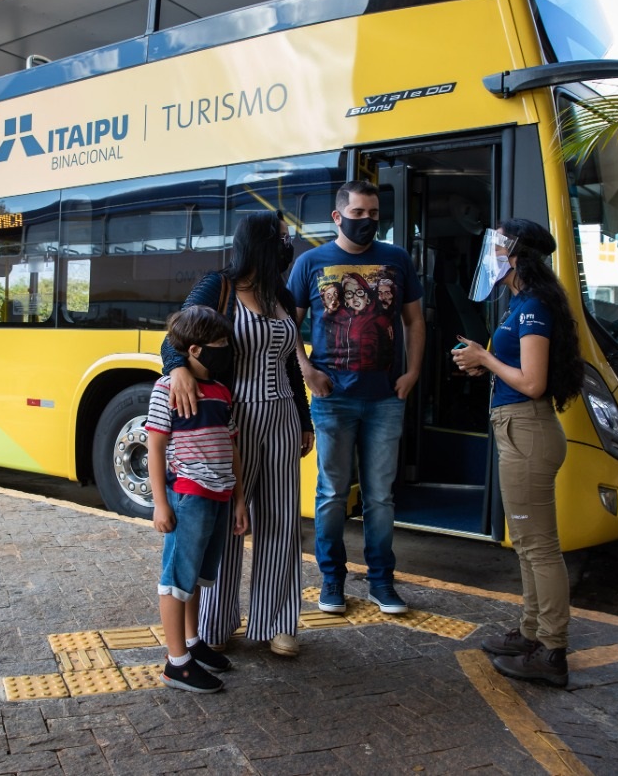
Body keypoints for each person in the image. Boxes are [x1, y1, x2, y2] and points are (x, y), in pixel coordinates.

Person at [161, 211, 313, 658]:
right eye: (283, 239)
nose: (288, 246)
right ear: (261, 244)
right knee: (226, 522)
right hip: (232, 416)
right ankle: (216, 621)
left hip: (283, 415)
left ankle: (278, 622)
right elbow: (175, 338)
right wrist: (178, 372)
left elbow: (291, 361)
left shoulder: (281, 295)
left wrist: (303, 420)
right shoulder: (218, 286)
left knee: (282, 522)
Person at [451, 218, 585, 687]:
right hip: (519, 430)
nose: (491, 254)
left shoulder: (531, 308)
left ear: (517, 255)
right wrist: (482, 361)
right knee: (528, 545)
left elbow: (532, 383)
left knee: (539, 547)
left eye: (499, 246)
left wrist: (486, 359)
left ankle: (552, 651)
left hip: (527, 431)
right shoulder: (523, 304)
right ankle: (531, 633)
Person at [288, 180, 425, 616]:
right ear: (338, 216)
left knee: (380, 497)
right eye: (359, 213)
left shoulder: (397, 260)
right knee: (331, 493)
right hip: (332, 400)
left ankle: (382, 581)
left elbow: (415, 322)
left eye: (373, 213)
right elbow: (288, 325)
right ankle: (332, 580)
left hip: (385, 398)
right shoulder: (311, 263)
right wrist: (306, 370)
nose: (367, 220)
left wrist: (413, 373)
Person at [147, 305, 249, 693]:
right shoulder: (167, 390)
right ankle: (176, 664)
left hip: (220, 496)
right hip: (189, 496)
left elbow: (232, 446)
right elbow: (155, 447)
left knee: (196, 578)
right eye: (219, 344)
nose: (226, 350)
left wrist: (238, 500)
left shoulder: (222, 392)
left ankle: (191, 643)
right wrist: (160, 503)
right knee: (176, 580)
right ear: (194, 351)